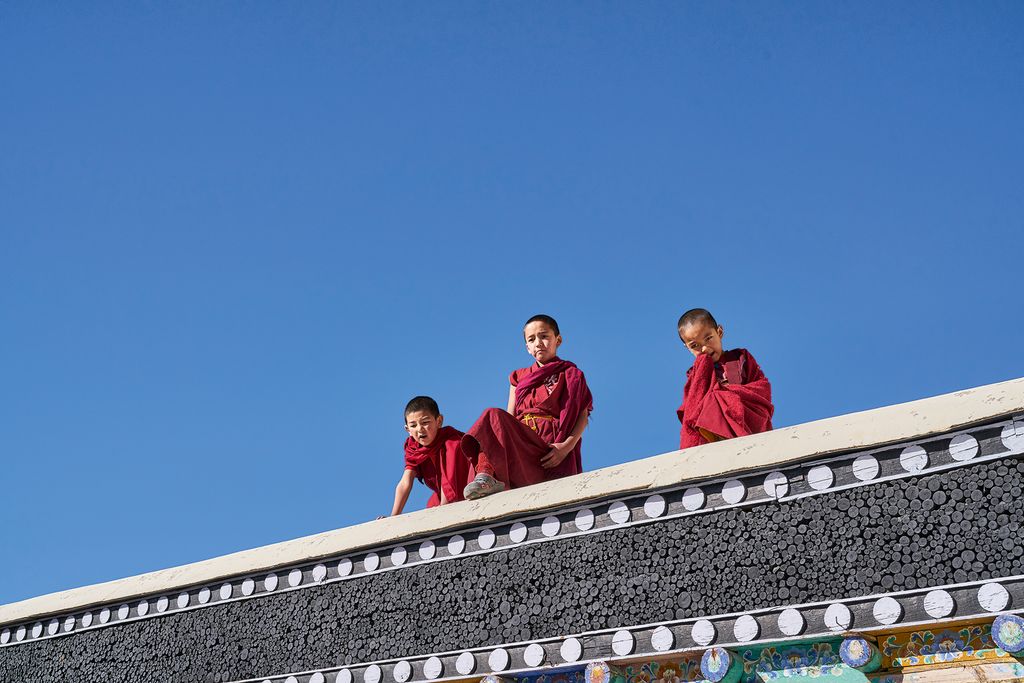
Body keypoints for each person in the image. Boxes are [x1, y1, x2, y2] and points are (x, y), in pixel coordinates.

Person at [461, 314, 594, 500]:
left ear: (558, 339)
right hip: (524, 444)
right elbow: (508, 417)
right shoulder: (518, 377)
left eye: (544, 336)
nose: (538, 342)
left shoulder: (572, 374)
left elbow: (582, 414)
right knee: (492, 417)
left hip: (550, 448)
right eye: (532, 339)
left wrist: (564, 448)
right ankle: (486, 475)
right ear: (527, 348)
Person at [676, 308, 773, 449]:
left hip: (747, 425)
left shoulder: (740, 358)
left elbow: (762, 388)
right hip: (714, 438)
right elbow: (692, 409)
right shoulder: (694, 374)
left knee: (716, 398)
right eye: (695, 346)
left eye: (708, 338)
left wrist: (730, 395)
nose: (704, 349)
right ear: (687, 348)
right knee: (712, 400)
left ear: (719, 332)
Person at [387, 396, 475, 516]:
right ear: (407, 429)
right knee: (430, 506)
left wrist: (443, 510)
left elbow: (448, 478)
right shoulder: (413, 449)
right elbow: (405, 482)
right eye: (413, 425)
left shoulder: (452, 442)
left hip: (466, 492)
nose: (420, 429)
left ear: (439, 421)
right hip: (440, 499)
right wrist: (393, 517)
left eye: (425, 422)